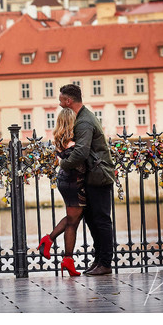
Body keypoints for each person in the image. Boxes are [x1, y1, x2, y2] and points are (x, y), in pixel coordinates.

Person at [57, 83, 115, 276]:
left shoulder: (83, 121)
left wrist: (64, 165)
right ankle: (99, 260)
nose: (60, 105)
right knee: (92, 219)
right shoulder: (83, 117)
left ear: (68, 100)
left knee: (101, 220)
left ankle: (105, 263)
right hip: (93, 176)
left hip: (99, 176)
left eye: (61, 101)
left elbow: (81, 152)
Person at [37, 108, 85, 276]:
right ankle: (49, 241)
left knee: (74, 219)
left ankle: (67, 260)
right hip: (73, 182)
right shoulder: (73, 142)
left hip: (64, 181)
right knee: (73, 219)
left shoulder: (60, 140)